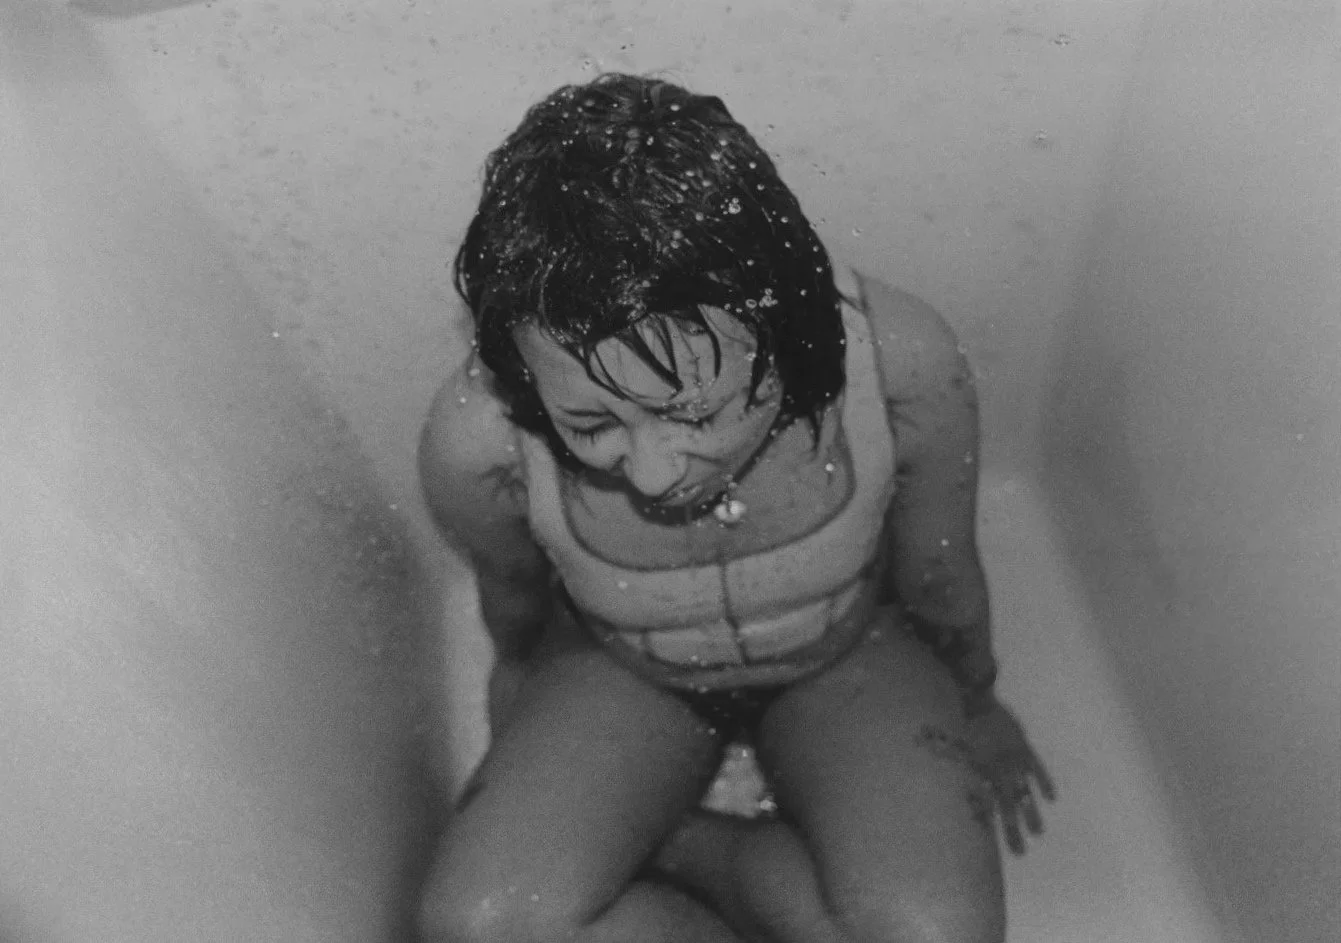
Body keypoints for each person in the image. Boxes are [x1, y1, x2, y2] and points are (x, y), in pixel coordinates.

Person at [415, 72, 1054, 943]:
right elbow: (513, 589)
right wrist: (526, 699)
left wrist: (975, 698)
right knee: (475, 929)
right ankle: (705, 858)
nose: (649, 471)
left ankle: (690, 849)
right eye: (591, 422)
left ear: (785, 334)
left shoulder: (896, 361)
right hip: (628, 666)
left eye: (694, 411)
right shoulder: (478, 438)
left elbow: (939, 565)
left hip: (844, 649)